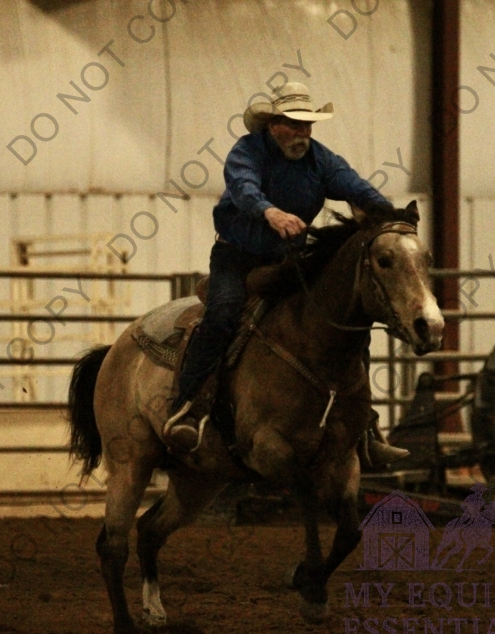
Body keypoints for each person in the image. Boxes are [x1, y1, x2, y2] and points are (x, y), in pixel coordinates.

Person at [163, 82, 411, 462]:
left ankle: (365, 427)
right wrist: (270, 212)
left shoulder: (321, 160)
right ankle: (189, 407)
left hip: (289, 258)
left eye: (307, 125)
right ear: (273, 124)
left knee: (347, 324)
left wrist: (390, 216)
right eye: (294, 124)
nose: (302, 133)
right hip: (237, 256)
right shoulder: (247, 152)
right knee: (223, 313)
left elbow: (356, 187)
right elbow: (244, 188)